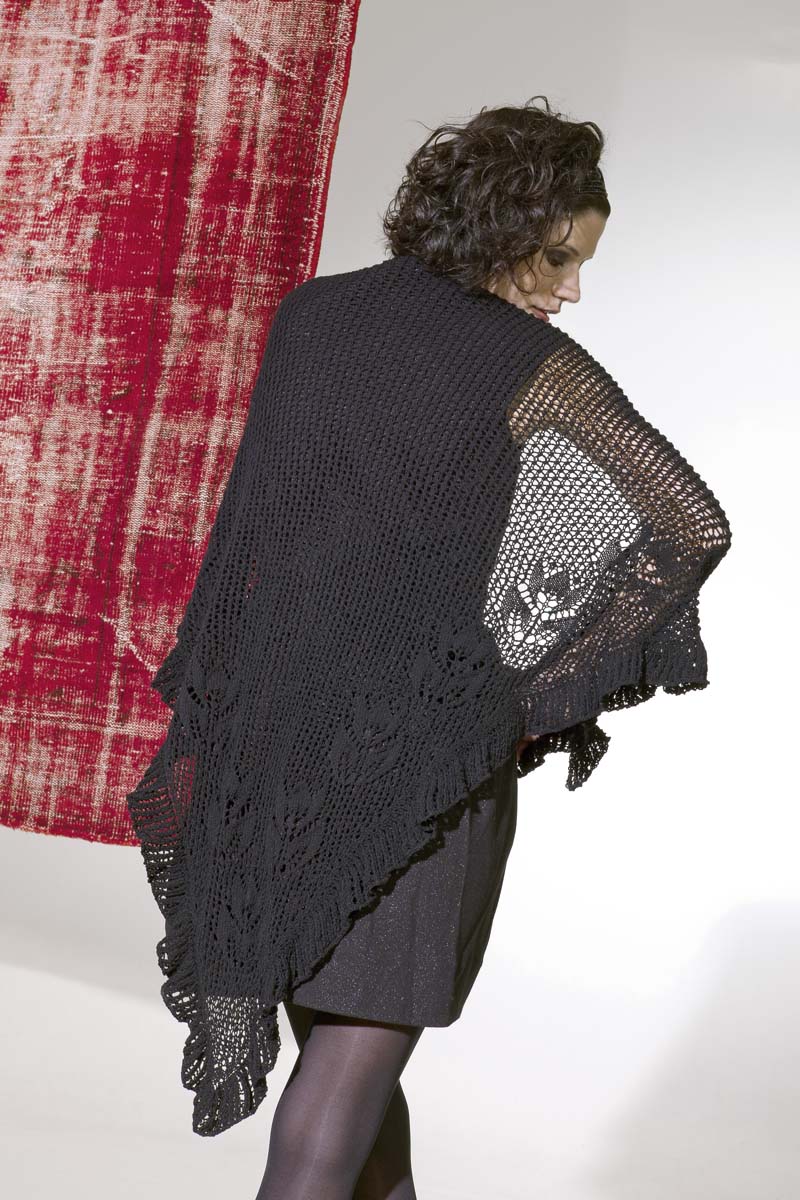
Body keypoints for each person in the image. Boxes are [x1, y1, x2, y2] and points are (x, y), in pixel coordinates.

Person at [255, 96, 613, 1199]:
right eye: (558, 257)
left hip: (287, 750)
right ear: (503, 225)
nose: (570, 289)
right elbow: (686, 524)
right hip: (424, 770)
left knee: (349, 1068)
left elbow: (268, 532)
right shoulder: (526, 364)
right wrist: (538, 686)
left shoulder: (314, 316)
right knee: (342, 1088)